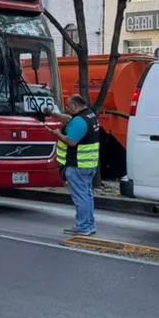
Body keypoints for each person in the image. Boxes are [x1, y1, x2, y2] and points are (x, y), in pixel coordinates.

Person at [47, 94, 100, 235]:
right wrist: (52, 114)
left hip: (77, 165)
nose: (66, 108)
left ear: (76, 106)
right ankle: (89, 224)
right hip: (89, 164)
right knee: (87, 195)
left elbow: (71, 141)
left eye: (69, 106)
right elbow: (68, 118)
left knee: (80, 197)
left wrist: (57, 134)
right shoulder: (89, 115)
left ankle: (83, 226)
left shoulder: (79, 121)